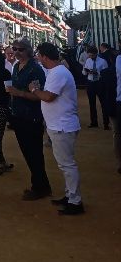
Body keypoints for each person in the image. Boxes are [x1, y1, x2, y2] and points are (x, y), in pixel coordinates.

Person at [32, 42, 84, 215]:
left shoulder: (59, 72)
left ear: (44, 56)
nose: (38, 58)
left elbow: (48, 96)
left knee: (67, 165)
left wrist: (34, 90)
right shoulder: (56, 71)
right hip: (59, 125)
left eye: (39, 55)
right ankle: (70, 195)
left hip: (62, 126)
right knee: (64, 165)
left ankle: (75, 201)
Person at [6, 38, 51, 200]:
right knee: (27, 152)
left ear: (28, 51)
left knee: (34, 153)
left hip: (31, 116)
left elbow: (39, 95)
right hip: (18, 114)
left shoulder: (35, 69)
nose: (17, 52)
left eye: (20, 49)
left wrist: (19, 93)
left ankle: (40, 187)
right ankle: (39, 184)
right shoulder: (16, 67)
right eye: (14, 49)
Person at [102, 47, 121, 174]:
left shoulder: (107, 73)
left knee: (117, 134)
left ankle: (120, 162)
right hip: (116, 104)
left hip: (116, 105)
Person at [82, 46, 110, 129]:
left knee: (103, 103)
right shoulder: (88, 60)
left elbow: (106, 74)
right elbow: (83, 72)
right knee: (92, 103)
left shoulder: (103, 61)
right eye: (89, 55)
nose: (90, 57)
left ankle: (106, 123)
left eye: (92, 55)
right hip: (90, 83)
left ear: (96, 54)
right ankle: (94, 122)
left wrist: (97, 72)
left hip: (99, 83)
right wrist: (86, 71)